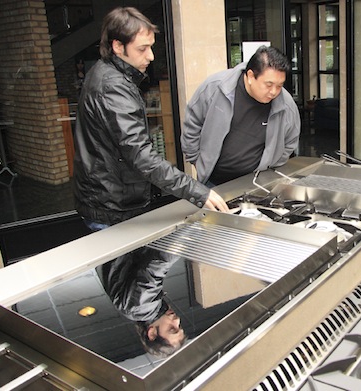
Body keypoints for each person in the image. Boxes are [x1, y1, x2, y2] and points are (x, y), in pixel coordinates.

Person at [73, 7, 228, 231]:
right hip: (112, 206)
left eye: (151, 47)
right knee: (125, 267)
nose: (151, 56)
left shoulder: (108, 75)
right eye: (142, 49)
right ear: (118, 46)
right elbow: (141, 155)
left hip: (111, 198)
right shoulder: (112, 87)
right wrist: (196, 191)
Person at [182, 45, 301, 186]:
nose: (274, 92)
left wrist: (270, 164)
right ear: (250, 76)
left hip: (257, 183)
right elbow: (192, 124)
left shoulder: (286, 104)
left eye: (279, 86)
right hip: (212, 182)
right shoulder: (215, 88)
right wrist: (198, 162)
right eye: (269, 85)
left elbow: (290, 141)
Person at [97, 247, 186, 358]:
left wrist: (188, 237)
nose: (177, 320)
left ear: (152, 333)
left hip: (109, 235)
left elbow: (158, 263)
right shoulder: (141, 310)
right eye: (179, 326)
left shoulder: (142, 307)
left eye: (172, 329)